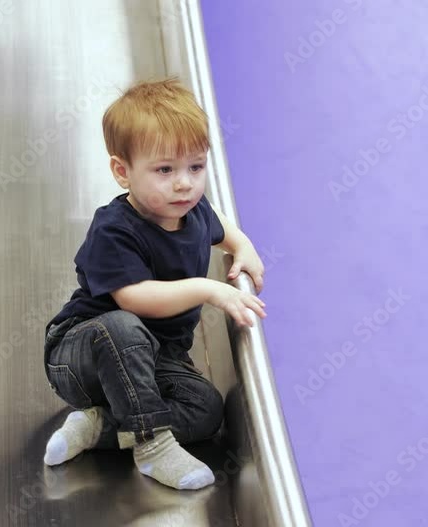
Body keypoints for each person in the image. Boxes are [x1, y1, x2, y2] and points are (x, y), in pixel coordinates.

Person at [42, 77, 267, 491]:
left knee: (206, 410)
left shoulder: (193, 210)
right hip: (83, 356)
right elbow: (134, 299)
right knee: (123, 325)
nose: (184, 183)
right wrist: (209, 288)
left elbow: (222, 230)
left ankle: (98, 428)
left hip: (154, 361)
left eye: (195, 167)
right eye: (165, 169)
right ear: (122, 172)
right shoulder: (114, 229)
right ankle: (152, 446)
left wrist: (244, 246)